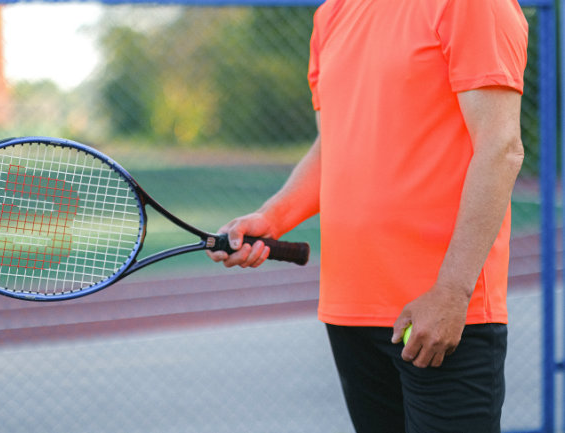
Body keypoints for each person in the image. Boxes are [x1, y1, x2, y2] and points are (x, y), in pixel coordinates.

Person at [208, 0, 529, 432]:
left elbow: (501, 148)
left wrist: (452, 292)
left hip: (439, 312)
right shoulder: (331, 14)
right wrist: (272, 217)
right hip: (349, 312)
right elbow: (333, 145)